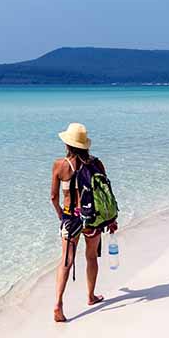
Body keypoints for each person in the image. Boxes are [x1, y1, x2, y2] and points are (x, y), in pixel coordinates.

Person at [49, 122, 117, 323]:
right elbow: (106, 194)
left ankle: (58, 305)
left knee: (66, 261)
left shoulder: (60, 165)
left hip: (71, 218)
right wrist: (111, 219)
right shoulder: (96, 163)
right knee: (91, 258)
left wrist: (62, 216)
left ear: (67, 145)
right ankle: (91, 296)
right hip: (92, 219)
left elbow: (53, 197)